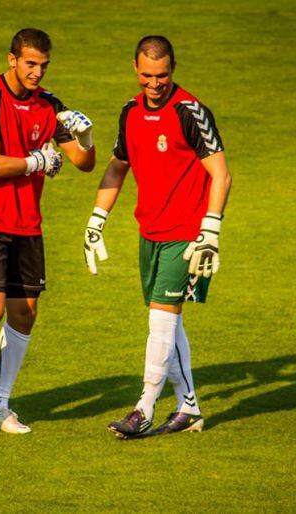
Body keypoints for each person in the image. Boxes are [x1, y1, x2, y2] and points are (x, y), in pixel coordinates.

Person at [0, 28, 97, 436]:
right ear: (12, 59)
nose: (37, 72)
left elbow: (83, 162)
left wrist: (85, 135)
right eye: (30, 63)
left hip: (27, 222)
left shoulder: (50, 106)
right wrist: (36, 162)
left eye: (44, 65)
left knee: (25, 313)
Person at [83, 36, 231, 438]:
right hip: (149, 232)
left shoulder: (191, 111)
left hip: (186, 235)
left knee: (160, 321)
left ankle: (143, 408)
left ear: (173, 68)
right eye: (147, 75)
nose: (154, 84)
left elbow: (221, 172)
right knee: (168, 322)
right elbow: (117, 167)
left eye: (162, 75)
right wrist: (97, 219)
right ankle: (189, 409)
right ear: (135, 68)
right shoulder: (129, 112)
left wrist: (210, 229)